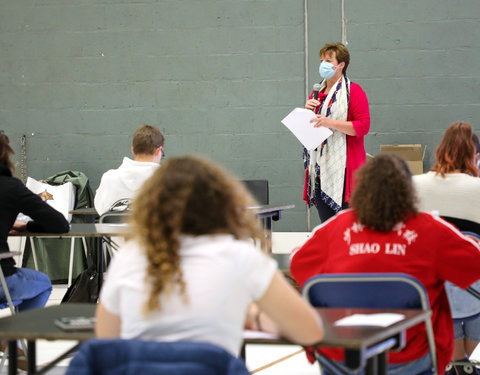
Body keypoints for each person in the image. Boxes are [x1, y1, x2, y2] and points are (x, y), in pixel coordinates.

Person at [95, 155, 324, 356]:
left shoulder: (130, 256)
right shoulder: (241, 256)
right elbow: (310, 331)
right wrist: (253, 316)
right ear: (220, 202)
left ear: (151, 205)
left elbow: (106, 338)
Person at [290, 154, 480, 375]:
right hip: (410, 359)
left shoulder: (336, 227)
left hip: (340, 359)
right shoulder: (429, 228)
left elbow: (297, 264)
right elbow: (474, 265)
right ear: (409, 191)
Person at [413, 122, 480, 375]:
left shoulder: (415, 186)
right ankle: (463, 365)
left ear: (440, 152)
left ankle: (456, 362)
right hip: (474, 297)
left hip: (430, 300)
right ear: (475, 157)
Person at [0, 131, 70, 310]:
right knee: (43, 283)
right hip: (2, 277)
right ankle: (19, 335)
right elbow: (59, 224)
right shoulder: (10, 187)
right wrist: (26, 226)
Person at [303, 42, 370, 223]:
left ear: (341, 64)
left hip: (346, 168)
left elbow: (363, 126)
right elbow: (312, 128)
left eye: (328, 60)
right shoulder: (317, 93)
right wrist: (306, 113)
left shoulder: (353, 91)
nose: (323, 64)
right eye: (321, 60)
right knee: (328, 226)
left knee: (348, 226)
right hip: (320, 169)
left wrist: (331, 123)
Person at [94, 124, 164, 216]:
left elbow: (100, 210)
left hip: (112, 230)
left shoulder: (109, 178)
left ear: (133, 150)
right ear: (158, 150)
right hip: (149, 230)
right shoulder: (166, 181)